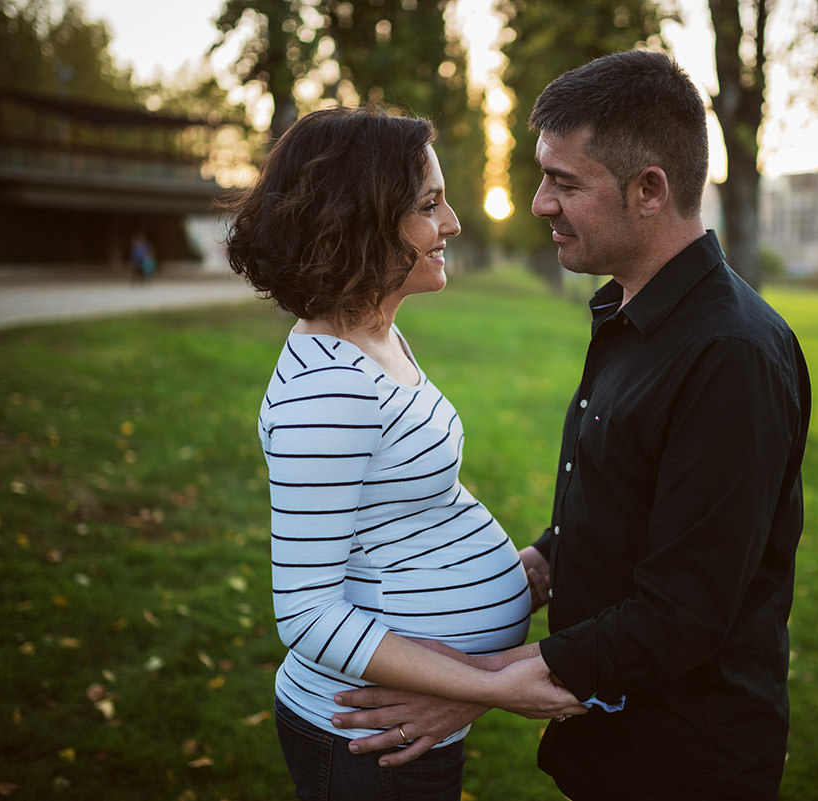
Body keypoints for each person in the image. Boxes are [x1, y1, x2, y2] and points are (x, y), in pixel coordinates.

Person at [334, 51, 812, 800]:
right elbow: (613, 513)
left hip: (682, 764)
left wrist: (476, 684)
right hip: (606, 746)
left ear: (649, 189)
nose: (538, 204)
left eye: (564, 182)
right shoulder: (631, 312)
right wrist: (514, 581)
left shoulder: (731, 355)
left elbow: (680, 611)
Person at [224, 106, 584, 801]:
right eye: (429, 205)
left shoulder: (375, 335)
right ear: (360, 220)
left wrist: (522, 574)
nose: (451, 224)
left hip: (395, 729)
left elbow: (408, 508)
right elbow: (305, 610)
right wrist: (490, 683)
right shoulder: (326, 387)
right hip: (363, 735)